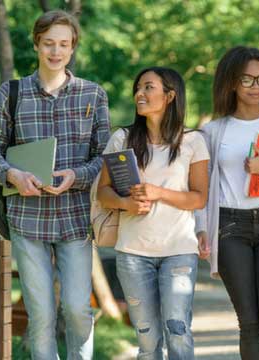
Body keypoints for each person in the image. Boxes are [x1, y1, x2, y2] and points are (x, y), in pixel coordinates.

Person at [0, 10, 109, 359]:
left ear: (72, 47)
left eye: (63, 44)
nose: (55, 51)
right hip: (27, 220)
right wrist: (13, 175)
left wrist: (76, 177)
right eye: (49, 43)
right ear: (36, 44)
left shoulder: (93, 95)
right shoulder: (11, 94)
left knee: (79, 310)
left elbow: (104, 158)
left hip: (75, 219)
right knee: (41, 316)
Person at [194, 46, 259, 360]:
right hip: (229, 228)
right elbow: (202, 189)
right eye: (248, 80)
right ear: (230, 83)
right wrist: (201, 229)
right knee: (250, 323)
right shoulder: (212, 132)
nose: (257, 86)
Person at [96, 67, 209, 360]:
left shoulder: (193, 141)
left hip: (179, 252)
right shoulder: (121, 138)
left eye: (148, 87)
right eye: (138, 88)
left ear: (170, 96)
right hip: (133, 253)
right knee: (147, 341)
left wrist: (158, 193)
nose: (140, 94)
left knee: (179, 331)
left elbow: (199, 198)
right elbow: (103, 193)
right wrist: (127, 205)